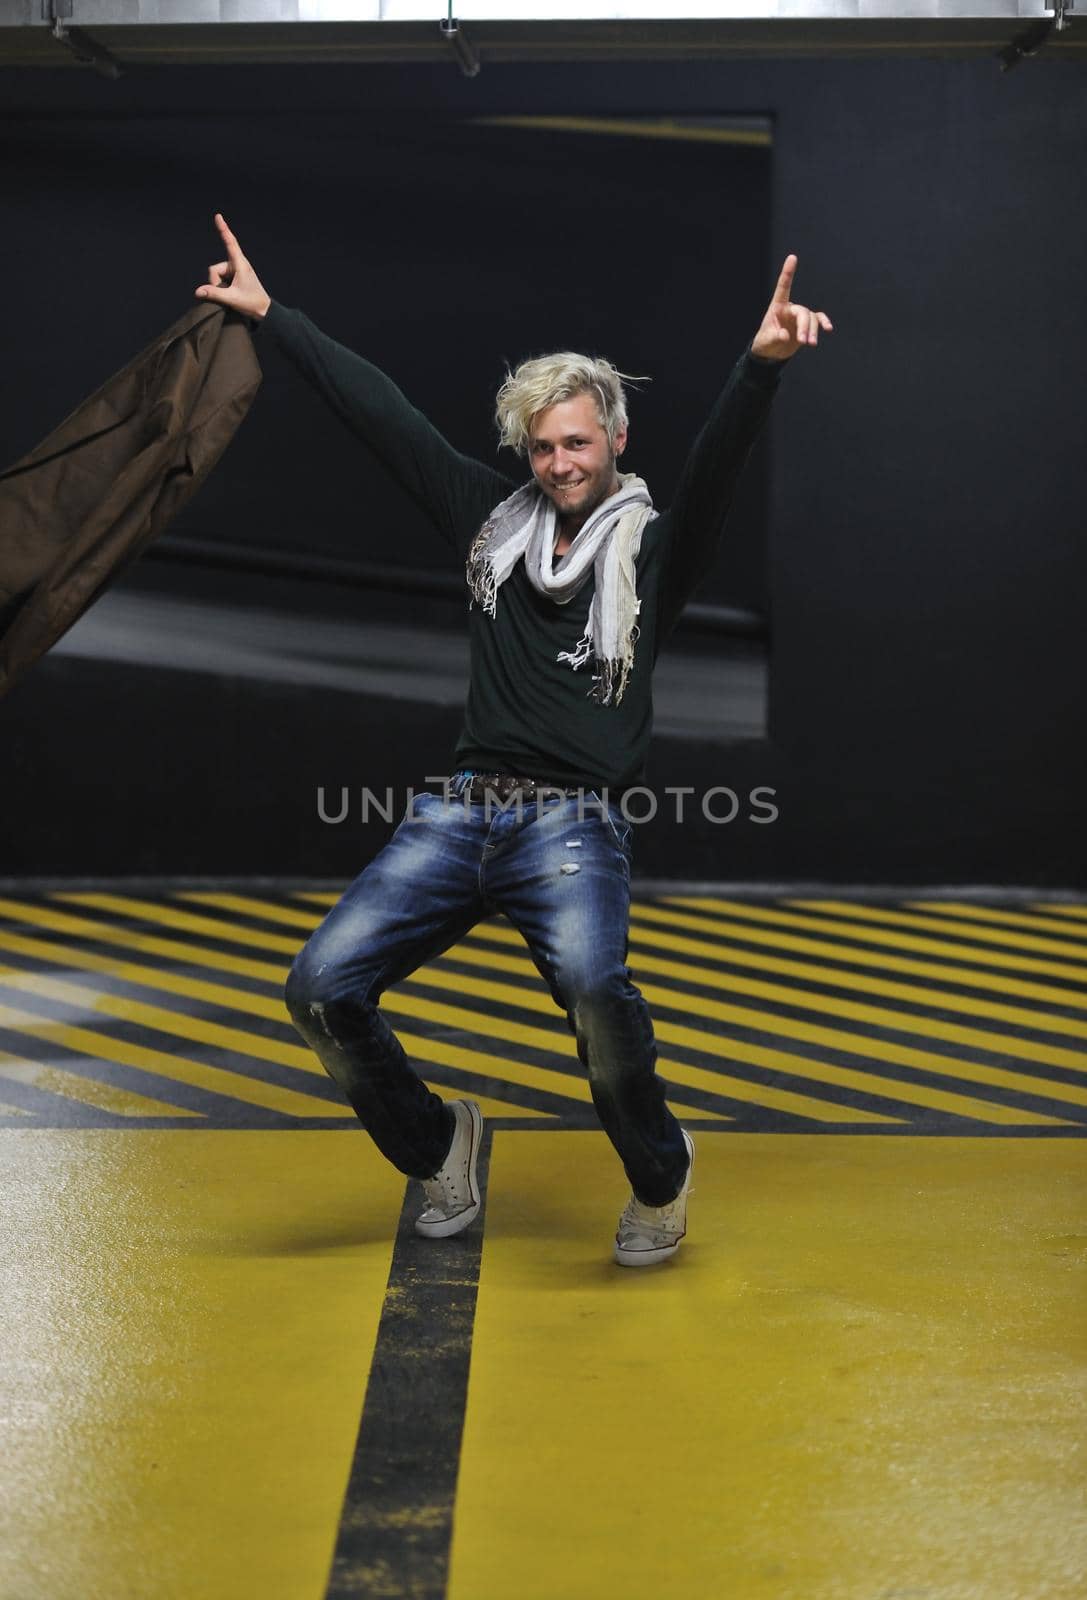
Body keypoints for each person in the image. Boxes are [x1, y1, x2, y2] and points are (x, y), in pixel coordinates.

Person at [195, 212, 832, 1267]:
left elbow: (716, 469)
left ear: (615, 440)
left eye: (576, 441)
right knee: (319, 989)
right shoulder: (489, 526)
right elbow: (386, 420)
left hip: (572, 826)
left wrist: (758, 370)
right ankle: (442, 1142)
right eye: (541, 445)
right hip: (458, 813)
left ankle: (661, 1175)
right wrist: (275, 319)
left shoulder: (653, 556)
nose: (558, 461)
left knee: (595, 993)